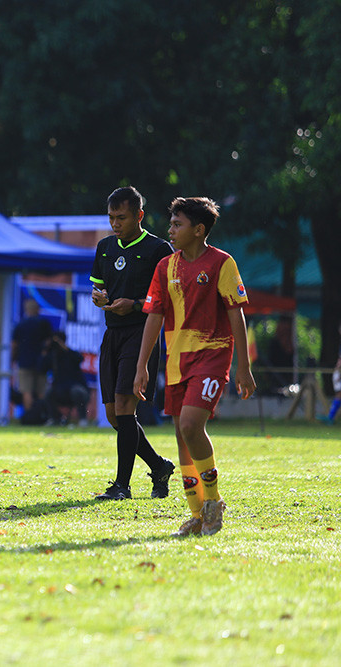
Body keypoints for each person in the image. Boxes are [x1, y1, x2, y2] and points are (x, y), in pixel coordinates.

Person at [134, 196, 255, 536]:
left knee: (190, 425)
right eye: (171, 224)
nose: (170, 230)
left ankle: (213, 503)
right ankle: (197, 514)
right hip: (177, 360)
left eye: (177, 224)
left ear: (198, 230)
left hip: (213, 356)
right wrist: (142, 365)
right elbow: (154, 317)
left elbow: (237, 314)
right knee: (181, 436)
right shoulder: (165, 267)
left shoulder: (222, 263)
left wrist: (243, 367)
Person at [90, 186, 176, 500]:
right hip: (112, 334)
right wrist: (100, 299)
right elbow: (98, 289)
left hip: (142, 333)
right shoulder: (105, 248)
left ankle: (121, 486)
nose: (115, 224)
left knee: (127, 409)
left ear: (139, 216)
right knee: (116, 416)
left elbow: (168, 298)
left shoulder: (158, 249)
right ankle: (159, 465)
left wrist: (136, 304)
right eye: (111, 218)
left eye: (122, 218)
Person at [11, 299, 53, 418]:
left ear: (27, 310)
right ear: (37, 309)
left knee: (26, 390)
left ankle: (29, 416)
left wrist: (13, 359)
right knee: (41, 391)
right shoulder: (44, 323)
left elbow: (14, 345)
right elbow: (49, 342)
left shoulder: (20, 325)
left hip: (24, 362)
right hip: (41, 363)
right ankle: (42, 415)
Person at [43, 331, 90, 426]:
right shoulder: (53, 356)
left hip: (76, 390)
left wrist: (64, 347)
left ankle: (83, 420)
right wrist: (46, 349)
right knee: (48, 392)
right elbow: (41, 366)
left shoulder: (70, 354)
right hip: (60, 390)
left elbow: (80, 358)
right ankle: (54, 419)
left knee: (77, 391)